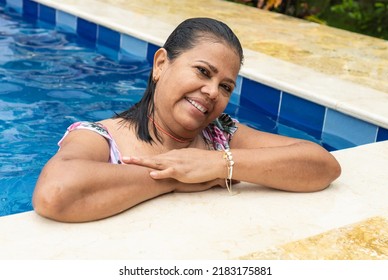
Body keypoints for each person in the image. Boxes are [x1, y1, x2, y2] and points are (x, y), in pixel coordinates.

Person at [32, 17, 341, 222]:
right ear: (161, 64)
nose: (211, 92)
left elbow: (322, 165)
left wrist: (219, 164)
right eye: (202, 71)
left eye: (225, 87)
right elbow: (54, 194)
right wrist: (175, 177)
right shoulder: (100, 137)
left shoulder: (221, 136)